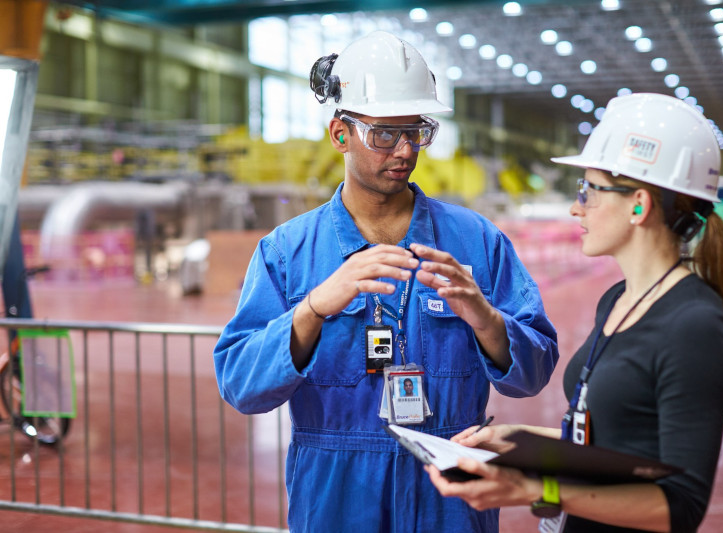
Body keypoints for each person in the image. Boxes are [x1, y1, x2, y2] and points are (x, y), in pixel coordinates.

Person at [213, 31, 559, 533]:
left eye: (416, 131)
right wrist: (311, 311)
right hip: (336, 498)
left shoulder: (476, 243)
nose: (404, 150)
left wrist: (487, 320)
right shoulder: (287, 252)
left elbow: (534, 373)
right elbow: (241, 385)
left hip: (451, 495)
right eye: (384, 134)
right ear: (340, 134)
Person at [426, 93, 723, 533]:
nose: (577, 207)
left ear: (639, 204)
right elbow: (613, 441)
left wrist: (535, 488)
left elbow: (680, 504)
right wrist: (520, 442)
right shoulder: (617, 299)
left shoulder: (695, 328)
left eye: (588, 191)